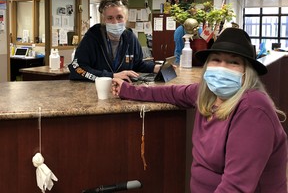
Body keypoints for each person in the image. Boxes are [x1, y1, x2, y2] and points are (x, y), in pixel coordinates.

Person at [112, 27, 288, 192]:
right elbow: (170, 93)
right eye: (216, 60)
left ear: (247, 72)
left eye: (233, 62)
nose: (222, 68)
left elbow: (235, 188)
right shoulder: (206, 94)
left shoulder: (253, 109)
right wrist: (127, 90)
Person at [68, 0, 161, 82]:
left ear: (126, 18)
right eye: (110, 18)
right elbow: (77, 69)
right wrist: (111, 76)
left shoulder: (130, 37)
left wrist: (155, 68)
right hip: (97, 90)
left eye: (119, 17)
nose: (115, 22)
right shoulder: (92, 37)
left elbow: (138, 64)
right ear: (104, 19)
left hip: (123, 90)